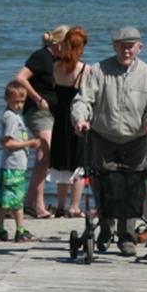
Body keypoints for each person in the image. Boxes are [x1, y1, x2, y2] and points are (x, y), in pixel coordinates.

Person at [72, 26, 147, 257]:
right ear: (115, 47)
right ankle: (105, 229)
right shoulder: (99, 70)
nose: (126, 50)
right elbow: (83, 100)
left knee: (132, 186)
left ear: (139, 48)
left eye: (130, 46)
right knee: (103, 183)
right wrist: (80, 118)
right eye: (122, 46)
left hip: (136, 139)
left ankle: (126, 237)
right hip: (103, 137)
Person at [15, 26, 67, 219]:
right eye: (67, 44)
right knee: (44, 152)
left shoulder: (58, 60)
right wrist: (38, 98)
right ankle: (37, 205)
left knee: (46, 155)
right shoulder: (41, 56)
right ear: (59, 43)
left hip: (53, 112)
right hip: (37, 110)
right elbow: (20, 78)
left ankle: (30, 201)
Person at [0, 83, 40, 242]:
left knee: (2, 198)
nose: (19, 105)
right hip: (14, 166)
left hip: (9, 165)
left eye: (22, 102)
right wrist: (30, 143)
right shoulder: (12, 118)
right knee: (17, 199)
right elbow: (8, 143)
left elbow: (3, 141)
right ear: (7, 99)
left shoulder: (11, 115)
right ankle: (20, 231)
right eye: (16, 102)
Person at [49, 27, 89, 218]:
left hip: (59, 118)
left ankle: (60, 205)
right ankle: (74, 206)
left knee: (61, 163)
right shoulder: (84, 69)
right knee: (78, 163)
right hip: (76, 118)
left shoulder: (56, 67)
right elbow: (87, 96)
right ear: (80, 48)